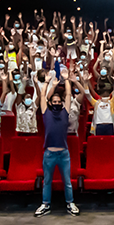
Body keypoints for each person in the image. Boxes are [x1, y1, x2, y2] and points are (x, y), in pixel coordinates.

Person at [34, 70, 81, 217]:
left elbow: (68, 95)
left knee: (67, 181)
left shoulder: (65, 112)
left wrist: (66, 80)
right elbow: (42, 96)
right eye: (54, 102)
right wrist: (47, 82)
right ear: (50, 103)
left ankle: (70, 203)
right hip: (49, 153)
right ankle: (45, 204)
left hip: (63, 154)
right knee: (47, 181)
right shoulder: (45, 112)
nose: (56, 103)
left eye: (58, 101)